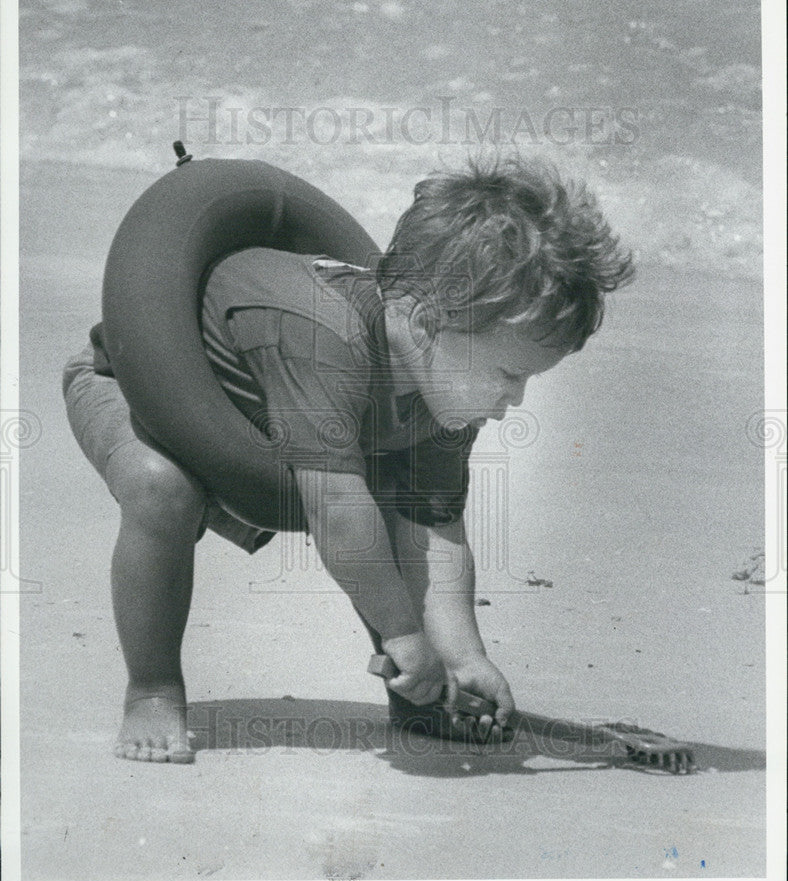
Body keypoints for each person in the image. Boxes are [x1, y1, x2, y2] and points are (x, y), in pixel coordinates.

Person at [62, 156, 633, 764]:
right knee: (160, 488)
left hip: (271, 428)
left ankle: (421, 700)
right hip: (134, 385)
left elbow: (434, 533)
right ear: (423, 322)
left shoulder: (445, 395)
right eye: (508, 374)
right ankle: (152, 689)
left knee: (386, 503)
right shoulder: (321, 336)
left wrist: (464, 657)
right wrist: (403, 633)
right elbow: (339, 513)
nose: (512, 400)